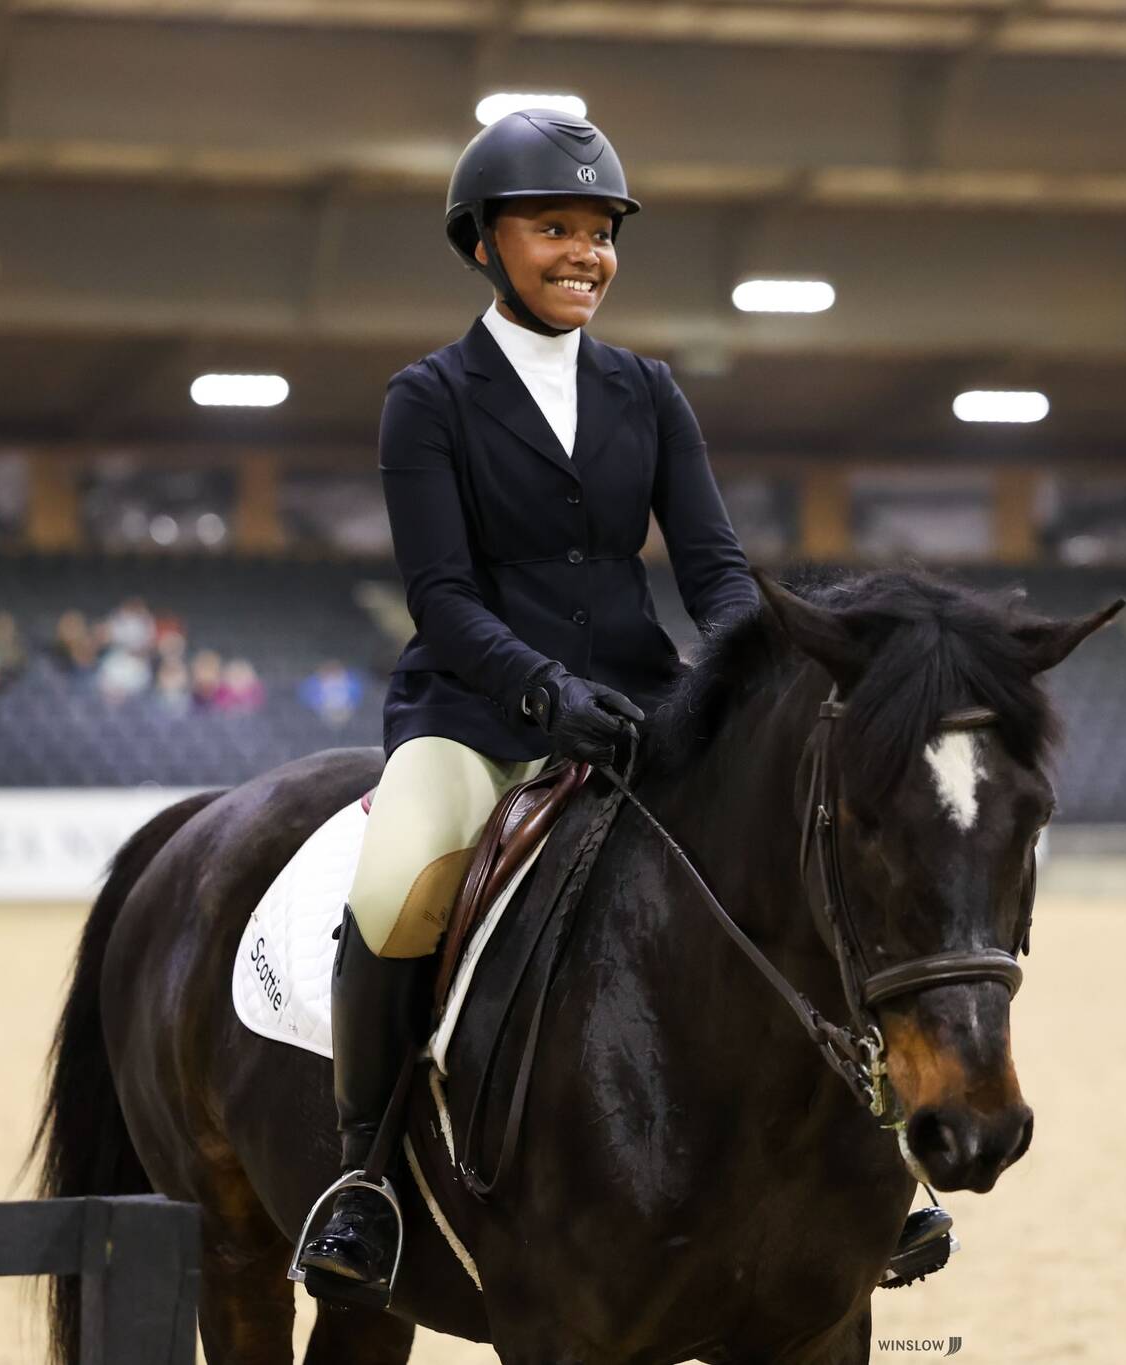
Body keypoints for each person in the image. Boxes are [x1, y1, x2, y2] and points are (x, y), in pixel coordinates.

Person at [291, 108, 764, 1301]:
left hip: (640, 707)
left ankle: (859, 1164)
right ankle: (363, 1183)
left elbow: (709, 563)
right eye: (555, 228)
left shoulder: (645, 391)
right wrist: (543, 690)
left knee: (783, 860)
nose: (585, 254)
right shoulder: (429, 397)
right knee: (395, 888)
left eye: (600, 232)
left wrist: (755, 660)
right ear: (485, 243)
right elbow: (443, 596)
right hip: (478, 716)